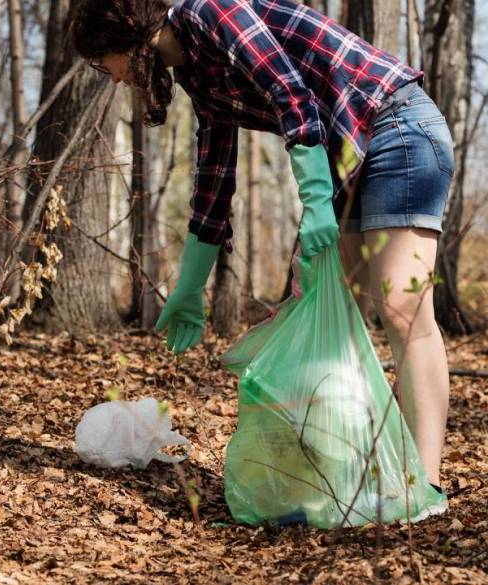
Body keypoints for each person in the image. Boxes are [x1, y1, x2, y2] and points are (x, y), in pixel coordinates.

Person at [71, 0, 454, 491]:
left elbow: (291, 95)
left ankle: (426, 483)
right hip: (346, 151)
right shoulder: (197, 74)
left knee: (403, 309)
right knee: (334, 317)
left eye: (105, 66)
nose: (115, 79)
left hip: (396, 128)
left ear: (123, 40)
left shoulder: (211, 12)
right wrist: (189, 287)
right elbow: (213, 182)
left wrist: (316, 200)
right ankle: (339, 476)